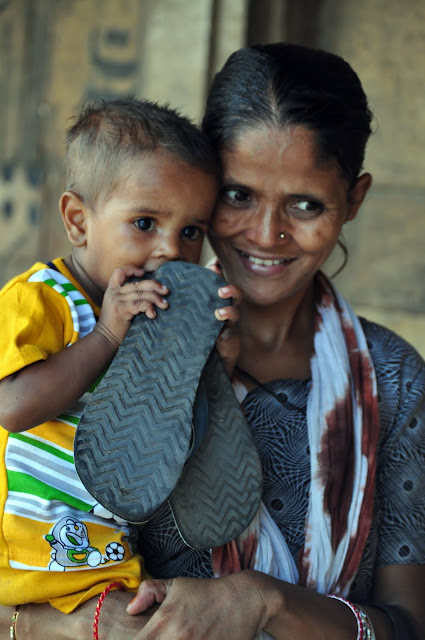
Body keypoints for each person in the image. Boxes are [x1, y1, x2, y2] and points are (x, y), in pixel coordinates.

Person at [1, 42, 424, 639]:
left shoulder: (394, 380)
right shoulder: (92, 337)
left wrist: (263, 602)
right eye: (238, 196)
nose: (267, 234)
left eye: (305, 204)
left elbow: (410, 626)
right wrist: (82, 626)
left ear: (353, 200)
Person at [0, 98, 238, 621]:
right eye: (146, 222)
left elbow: (171, 434)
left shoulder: (153, 319)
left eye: (192, 232)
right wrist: (107, 333)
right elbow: (12, 407)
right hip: (26, 559)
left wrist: (216, 355)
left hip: (109, 562)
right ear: (78, 220)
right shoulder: (40, 299)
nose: (171, 251)